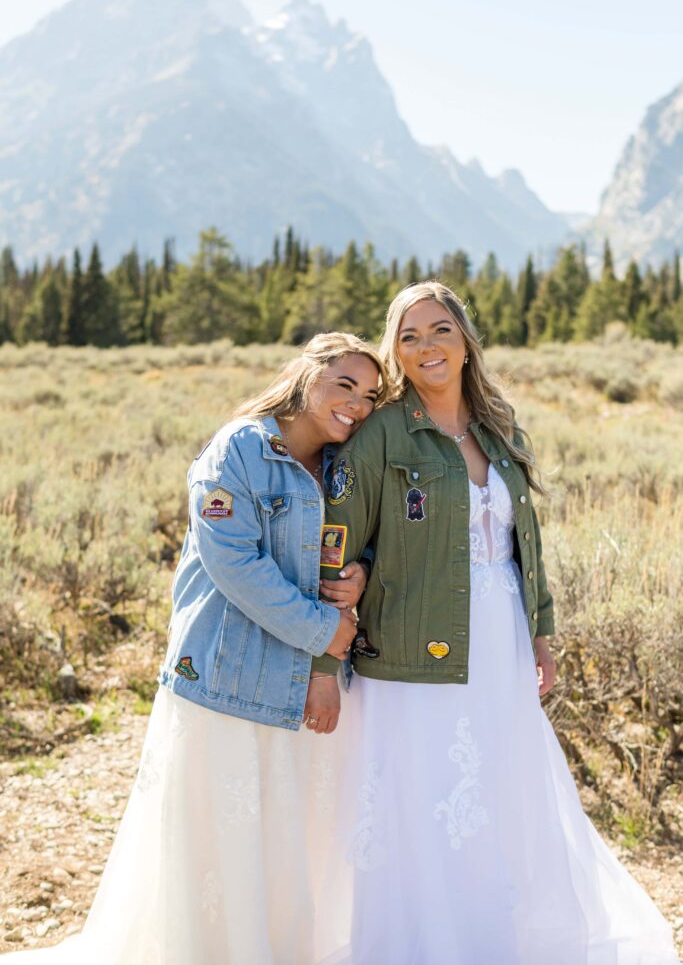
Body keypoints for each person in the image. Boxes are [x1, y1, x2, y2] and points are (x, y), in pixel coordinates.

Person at [319, 283, 679, 965]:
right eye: (408, 336)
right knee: (423, 795)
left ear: (464, 339)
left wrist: (539, 635)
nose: (426, 347)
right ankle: (422, 945)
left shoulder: (497, 427)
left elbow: (523, 544)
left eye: (438, 330)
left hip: (500, 634)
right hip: (410, 647)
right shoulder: (380, 435)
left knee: (498, 786)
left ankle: (489, 938)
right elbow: (338, 542)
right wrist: (327, 639)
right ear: (395, 351)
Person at [3, 332, 386, 965]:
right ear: (306, 374)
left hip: (298, 686)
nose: (357, 405)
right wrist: (324, 629)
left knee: (283, 844)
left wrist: (363, 573)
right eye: (344, 385)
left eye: (370, 395)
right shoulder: (239, 448)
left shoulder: (345, 463)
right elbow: (235, 564)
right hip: (226, 676)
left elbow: (363, 539)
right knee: (219, 844)